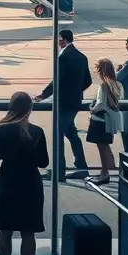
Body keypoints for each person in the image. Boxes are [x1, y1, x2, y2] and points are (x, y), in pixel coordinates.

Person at [0, 91, 49, 255]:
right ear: (30, 109)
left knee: (5, 231)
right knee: (28, 233)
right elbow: (44, 162)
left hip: (8, 183)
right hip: (30, 185)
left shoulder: (2, 129)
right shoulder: (37, 132)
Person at [35, 29, 91, 180]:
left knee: (58, 136)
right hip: (75, 102)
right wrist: (76, 91)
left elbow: (57, 80)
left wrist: (43, 94)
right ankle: (81, 166)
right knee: (71, 134)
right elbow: (88, 81)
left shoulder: (63, 57)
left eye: (59, 39)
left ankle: (59, 171)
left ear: (64, 40)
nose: (58, 41)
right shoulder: (82, 56)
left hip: (64, 103)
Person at [87, 59, 123, 184]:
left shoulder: (104, 85)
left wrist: (93, 109)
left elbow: (101, 103)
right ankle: (106, 170)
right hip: (110, 119)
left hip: (101, 120)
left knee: (102, 147)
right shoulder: (117, 85)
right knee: (105, 145)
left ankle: (105, 173)